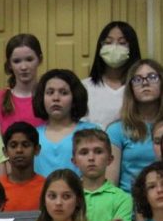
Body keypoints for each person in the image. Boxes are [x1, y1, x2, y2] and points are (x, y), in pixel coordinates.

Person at [107, 59, 163, 193]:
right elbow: (110, 184)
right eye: (137, 79)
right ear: (130, 89)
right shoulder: (116, 130)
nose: (145, 82)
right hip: (130, 208)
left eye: (152, 77)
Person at [32, 69, 98, 176]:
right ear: (42, 98)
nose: (56, 98)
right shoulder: (33, 135)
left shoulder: (92, 132)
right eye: (50, 92)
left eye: (64, 93)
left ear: (74, 98)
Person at [83, 21, 143, 129]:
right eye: (108, 42)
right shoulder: (85, 86)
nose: (114, 47)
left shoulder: (140, 86)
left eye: (122, 43)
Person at [0, 34, 45, 134]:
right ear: (9, 64)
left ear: (39, 60)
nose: (23, 67)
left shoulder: (49, 96)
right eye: (17, 61)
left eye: (29, 59)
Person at [0, 121, 45, 211]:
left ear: (37, 149)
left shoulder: (47, 187)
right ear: (5, 151)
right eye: (13, 145)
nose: (19, 150)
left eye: (25, 145)